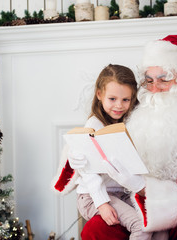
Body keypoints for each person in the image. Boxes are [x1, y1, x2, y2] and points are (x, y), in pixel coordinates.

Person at [77, 34, 177, 240]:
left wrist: (145, 190)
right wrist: (79, 157)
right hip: (135, 209)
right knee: (97, 228)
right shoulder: (138, 113)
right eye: (149, 80)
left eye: (163, 80)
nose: (154, 88)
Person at [52, 64, 152, 240]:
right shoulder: (94, 125)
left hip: (122, 194)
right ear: (99, 95)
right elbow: (87, 172)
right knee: (141, 226)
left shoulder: (131, 122)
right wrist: (102, 203)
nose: (119, 106)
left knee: (153, 221)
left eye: (125, 100)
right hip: (93, 195)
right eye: (112, 99)